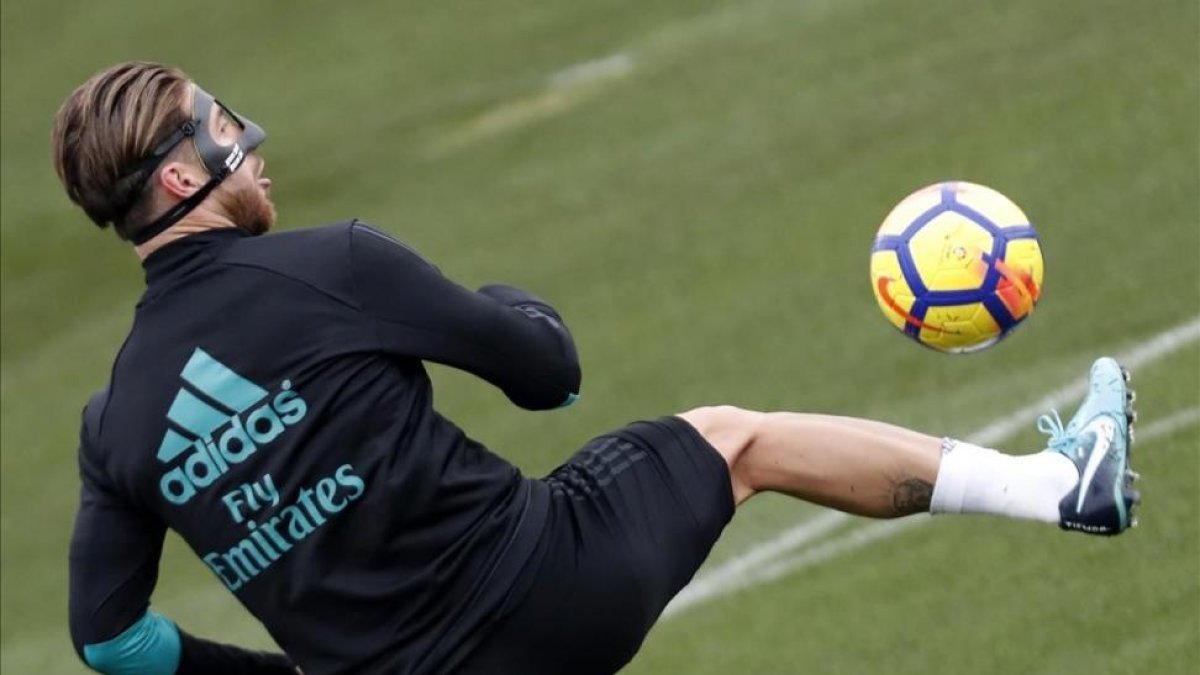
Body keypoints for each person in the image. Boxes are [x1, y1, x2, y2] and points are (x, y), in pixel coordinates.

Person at [53, 62, 1140, 675]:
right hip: (550, 590)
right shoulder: (331, 264)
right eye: (226, 124)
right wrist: (514, 305)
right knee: (733, 439)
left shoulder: (117, 421)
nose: (253, 141)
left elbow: (110, 640)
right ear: (190, 169)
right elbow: (548, 374)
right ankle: (1057, 488)